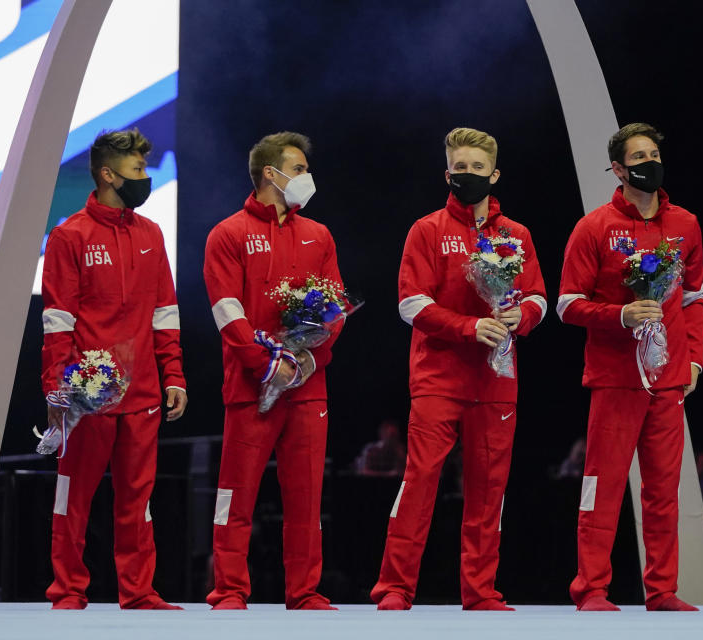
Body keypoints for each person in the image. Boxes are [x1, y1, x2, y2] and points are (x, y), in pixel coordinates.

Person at [371, 127, 547, 611]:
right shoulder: (426, 230)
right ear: (447, 172)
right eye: (459, 167)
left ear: (494, 174)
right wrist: (470, 328)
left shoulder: (518, 235)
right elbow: (410, 303)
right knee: (420, 481)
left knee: (489, 489)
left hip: (496, 378)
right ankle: (394, 587)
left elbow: (537, 296)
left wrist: (521, 316)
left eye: (476, 167)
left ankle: (481, 591)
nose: (466, 175)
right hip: (438, 377)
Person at [558, 122, 703, 611]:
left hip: (668, 380)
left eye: (654, 154)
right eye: (638, 157)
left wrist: (695, 359)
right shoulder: (594, 226)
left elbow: (694, 298)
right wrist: (619, 315)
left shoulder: (685, 223)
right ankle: (592, 590)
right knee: (602, 487)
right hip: (615, 378)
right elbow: (566, 304)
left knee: (664, 491)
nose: (650, 163)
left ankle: (662, 591)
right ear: (618, 169)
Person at [41, 128, 187, 610]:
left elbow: (164, 312)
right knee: (73, 497)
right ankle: (67, 590)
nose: (145, 177)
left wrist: (174, 376)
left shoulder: (151, 233)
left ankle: (139, 591)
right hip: (88, 396)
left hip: (143, 394)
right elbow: (58, 319)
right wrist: (57, 389)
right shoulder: (69, 236)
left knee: (137, 500)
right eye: (139, 170)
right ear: (108, 174)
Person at [203, 131, 344, 610]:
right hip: (250, 387)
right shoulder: (228, 233)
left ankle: (304, 591)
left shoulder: (318, 235)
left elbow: (336, 310)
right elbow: (226, 310)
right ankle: (228, 590)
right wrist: (268, 365)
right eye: (300, 169)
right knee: (235, 495)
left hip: (307, 388)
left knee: (306, 498)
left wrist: (304, 360)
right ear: (271, 173)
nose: (307, 178)